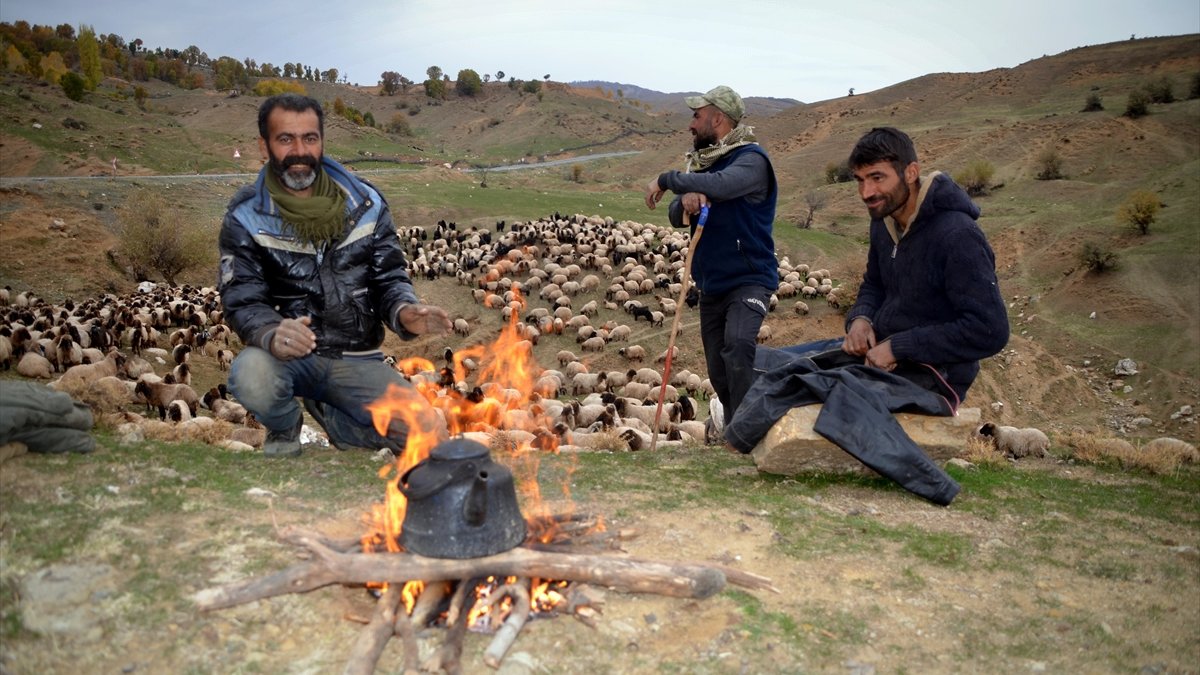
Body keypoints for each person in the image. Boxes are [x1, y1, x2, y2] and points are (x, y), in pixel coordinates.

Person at [218, 94, 452, 457]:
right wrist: (270, 331)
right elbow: (241, 296)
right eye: (286, 139)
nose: (300, 150)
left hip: (355, 356)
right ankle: (284, 427)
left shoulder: (366, 204)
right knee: (251, 374)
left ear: (322, 141)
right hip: (288, 355)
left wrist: (405, 312)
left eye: (309, 138)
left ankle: (338, 418)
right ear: (264, 147)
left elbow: (388, 277)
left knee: (425, 433)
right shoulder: (246, 216)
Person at [785, 126, 1009, 403]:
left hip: (936, 375)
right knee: (772, 366)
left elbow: (990, 330)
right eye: (860, 180)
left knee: (810, 398)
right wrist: (861, 319)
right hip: (879, 354)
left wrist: (899, 347)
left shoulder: (958, 236)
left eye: (877, 178)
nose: (866, 192)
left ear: (911, 172)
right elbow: (874, 284)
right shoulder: (884, 221)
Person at [644, 85, 778, 425]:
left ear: (717, 118)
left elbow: (722, 185)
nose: (691, 124)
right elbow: (676, 214)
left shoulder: (751, 161)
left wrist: (669, 179)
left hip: (748, 280)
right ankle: (737, 430)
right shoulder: (706, 165)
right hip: (712, 285)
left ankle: (750, 431)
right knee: (719, 372)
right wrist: (686, 196)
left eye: (696, 116)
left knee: (737, 346)